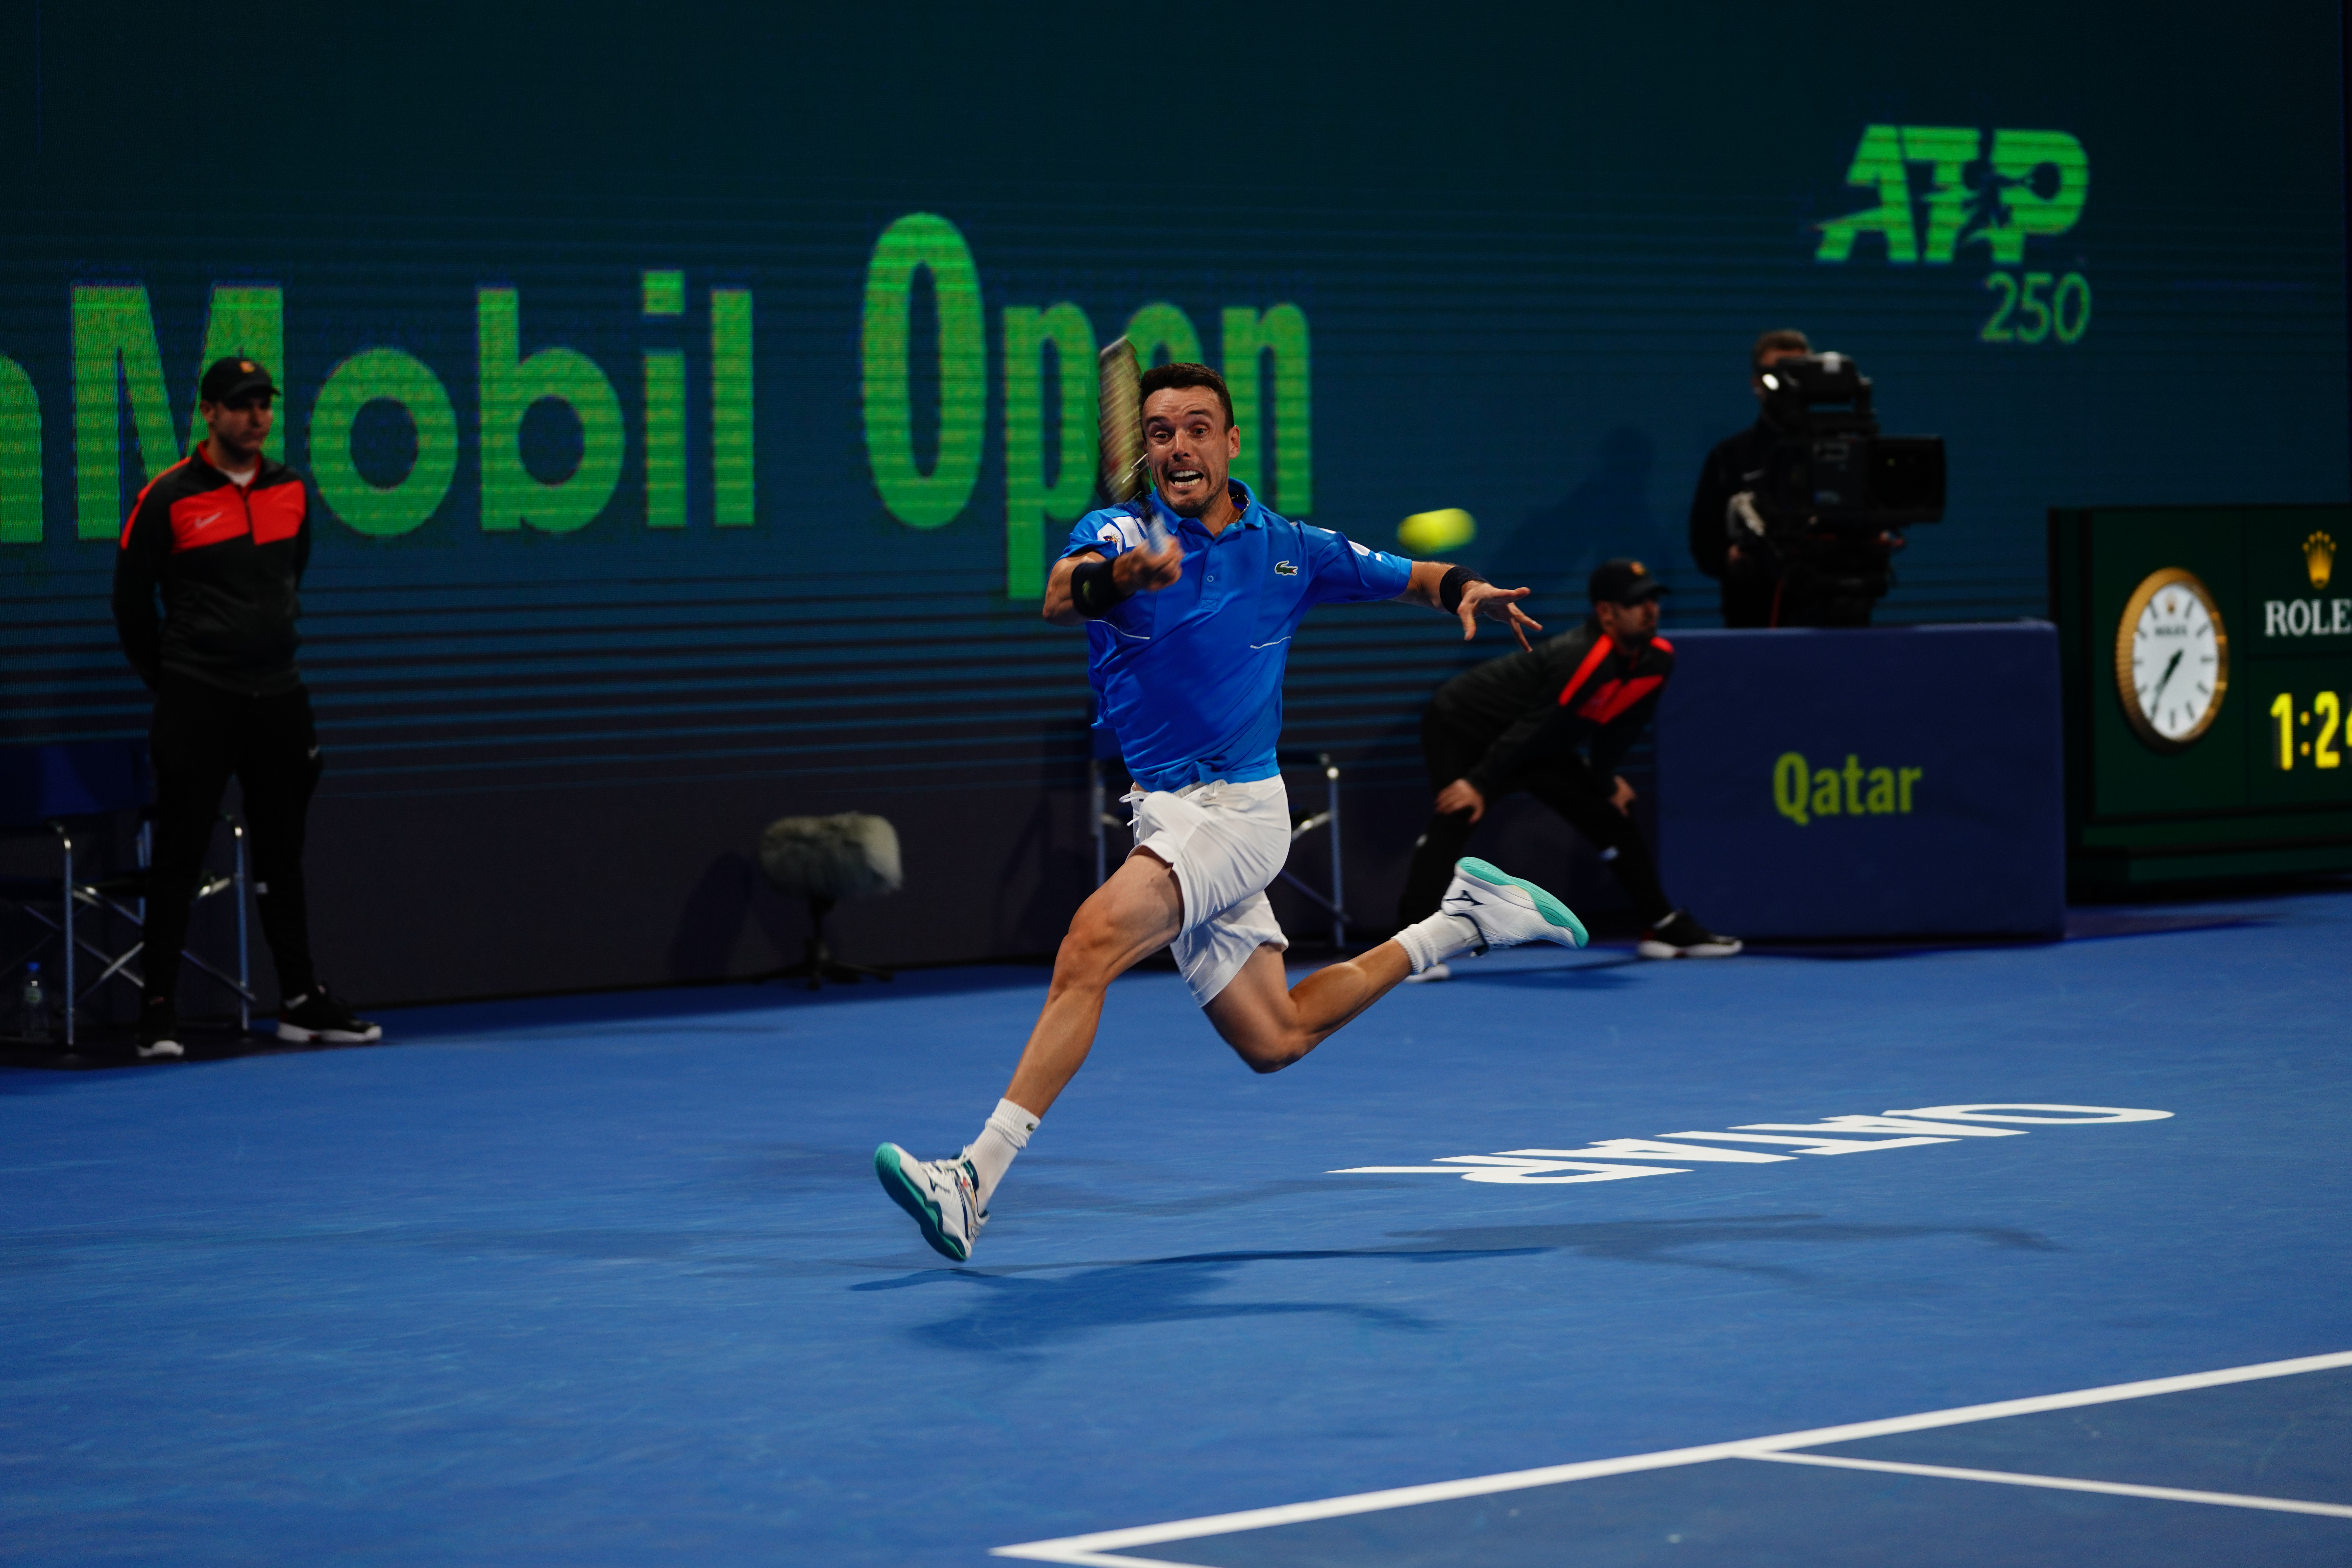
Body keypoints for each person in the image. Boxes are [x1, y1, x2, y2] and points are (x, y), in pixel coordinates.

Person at [874, 363, 1589, 1261]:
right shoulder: (1115, 530)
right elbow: (1061, 596)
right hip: (1166, 811)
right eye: (1162, 431)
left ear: (1232, 441)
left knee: (1089, 946)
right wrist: (1132, 570)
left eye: (1198, 427)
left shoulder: (1290, 548)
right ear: (1148, 450)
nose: (1179, 446)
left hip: (1239, 812)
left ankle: (973, 1180)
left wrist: (1466, 589)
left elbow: (1412, 576)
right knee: (1276, 1037)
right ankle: (1461, 924)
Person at [112, 357, 380, 1060]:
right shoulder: (168, 498)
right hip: (200, 699)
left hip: (280, 697)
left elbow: (291, 576)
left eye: (263, 404)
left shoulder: (291, 489)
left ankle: (300, 1003)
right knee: (179, 855)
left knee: (282, 853)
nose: (255, 417)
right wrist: (174, 680)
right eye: (239, 405)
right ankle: (158, 1012)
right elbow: (131, 605)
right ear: (208, 413)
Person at [1396, 558, 1740, 975]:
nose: (1649, 610)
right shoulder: (1585, 656)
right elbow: (1539, 725)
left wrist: (1604, 776)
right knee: (1458, 812)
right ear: (1606, 613)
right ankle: (1408, 945)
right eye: (1636, 603)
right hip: (1463, 723)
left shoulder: (1657, 660)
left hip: (1534, 741)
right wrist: (1477, 782)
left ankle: (1662, 926)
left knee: (1613, 811)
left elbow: (1618, 727)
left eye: (1652, 600)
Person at [1688, 329, 1813, 628]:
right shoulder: (1730, 457)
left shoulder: (1840, 450)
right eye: (1778, 375)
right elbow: (1703, 541)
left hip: (1829, 612)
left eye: (1799, 374)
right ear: (1757, 383)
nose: (1789, 386)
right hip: (1755, 613)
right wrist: (1731, 558)